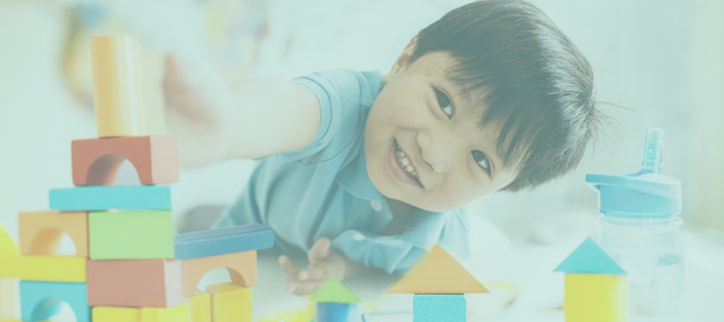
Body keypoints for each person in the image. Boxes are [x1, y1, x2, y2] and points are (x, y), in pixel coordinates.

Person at [163, 0, 600, 295]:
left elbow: (391, 265)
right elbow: (290, 108)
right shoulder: (346, 105)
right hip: (245, 231)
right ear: (404, 60)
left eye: (481, 159)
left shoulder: (442, 240)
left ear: (498, 190)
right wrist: (229, 124)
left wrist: (342, 267)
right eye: (444, 102)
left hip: (298, 264)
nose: (436, 153)